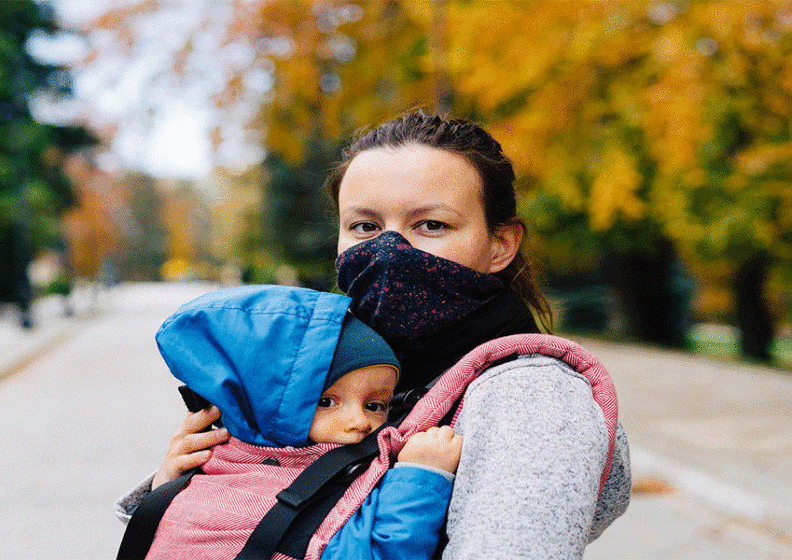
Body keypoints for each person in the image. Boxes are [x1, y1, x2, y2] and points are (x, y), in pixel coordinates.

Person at [117, 111, 631, 559]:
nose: (388, 250)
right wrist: (182, 488)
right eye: (365, 227)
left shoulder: (529, 396)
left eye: (430, 224)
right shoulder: (344, 368)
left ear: (500, 245)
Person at [129, 285, 462, 560]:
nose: (360, 421)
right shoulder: (217, 489)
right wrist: (421, 478)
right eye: (326, 402)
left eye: (375, 405)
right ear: (266, 404)